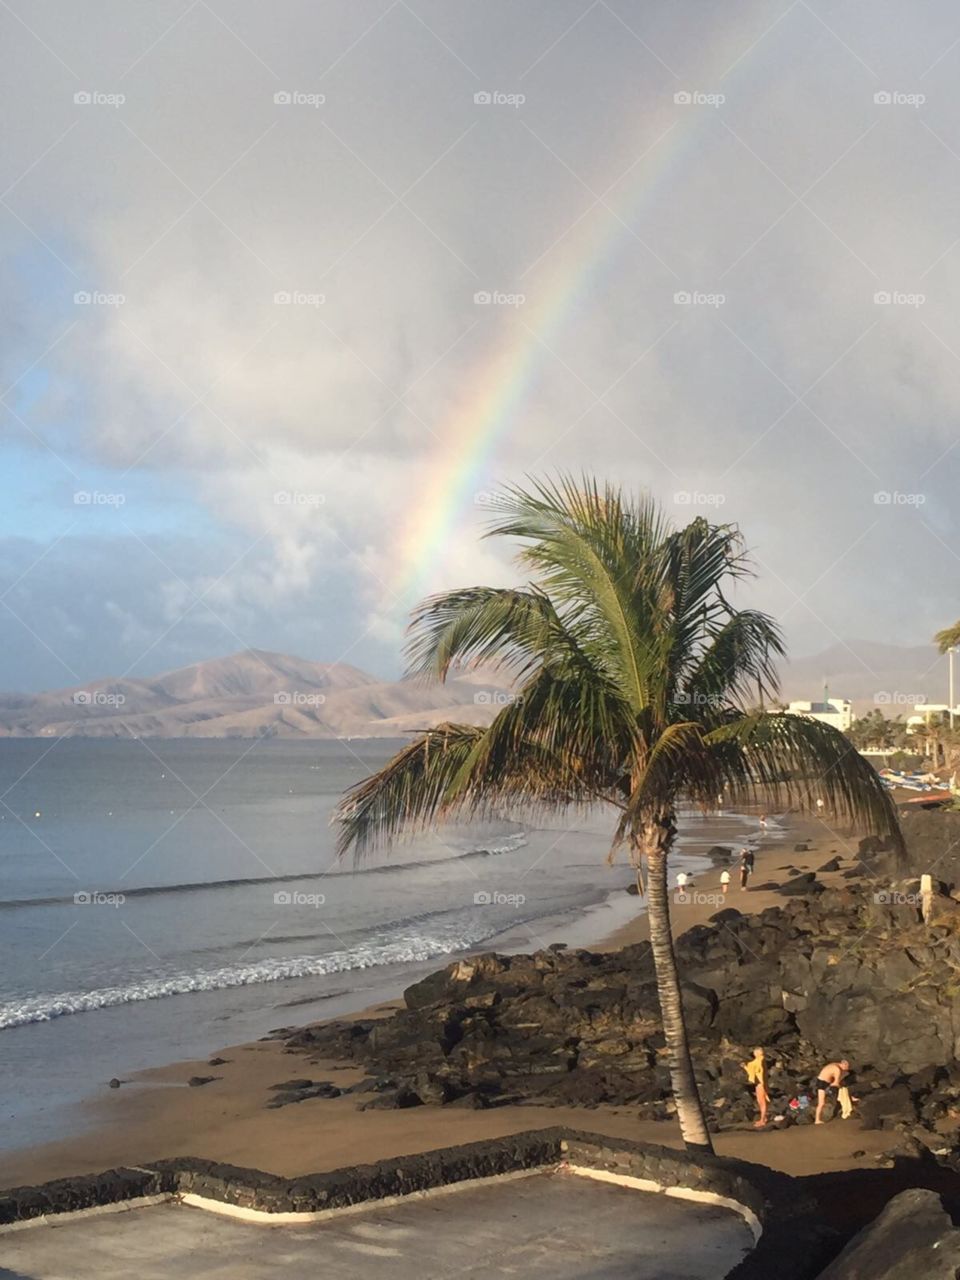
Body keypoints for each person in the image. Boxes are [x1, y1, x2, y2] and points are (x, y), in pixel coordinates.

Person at [814, 1059, 850, 1125]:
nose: (847, 1069)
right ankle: (817, 1120)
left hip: (821, 1081)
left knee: (821, 1103)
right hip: (822, 1083)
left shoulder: (835, 1064)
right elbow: (835, 1083)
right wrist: (842, 1088)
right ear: (843, 1064)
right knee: (821, 1103)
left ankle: (817, 1119)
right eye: (847, 1067)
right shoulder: (837, 1070)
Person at [742, 1047, 769, 1128]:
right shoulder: (758, 1060)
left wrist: (746, 1066)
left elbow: (756, 1068)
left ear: (758, 1053)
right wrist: (745, 1067)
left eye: (755, 1052)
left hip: (761, 1084)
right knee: (760, 1101)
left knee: (762, 1102)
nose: (754, 1054)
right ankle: (764, 1118)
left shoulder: (761, 1060)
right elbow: (752, 1070)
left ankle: (763, 1120)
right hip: (759, 1083)